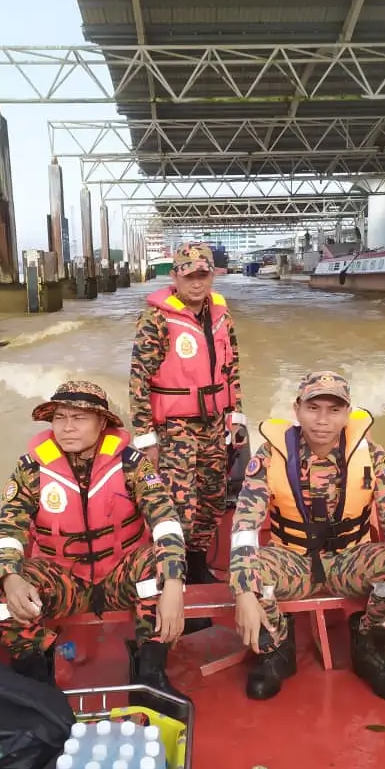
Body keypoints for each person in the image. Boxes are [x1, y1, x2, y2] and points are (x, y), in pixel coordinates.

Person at [229, 371, 385, 702]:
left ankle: (367, 644)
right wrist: (244, 593)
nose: (322, 420)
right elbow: (245, 524)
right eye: (313, 407)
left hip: (350, 559)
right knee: (249, 572)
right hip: (293, 561)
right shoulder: (269, 455)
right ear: (297, 408)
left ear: (348, 413)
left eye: (334, 410)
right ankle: (277, 648)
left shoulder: (372, 454)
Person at [0, 380, 187, 698]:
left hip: (120, 575)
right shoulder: (30, 471)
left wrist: (175, 585)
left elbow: (165, 521)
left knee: (159, 569)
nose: (67, 427)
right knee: (0, 592)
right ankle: (38, 682)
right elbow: (7, 531)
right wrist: (10, 578)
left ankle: (151, 672)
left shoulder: (133, 465)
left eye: (78, 418)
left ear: (102, 423)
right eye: (60, 418)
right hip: (64, 579)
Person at [129, 242, 247, 627]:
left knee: (213, 500)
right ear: (175, 276)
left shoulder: (221, 316)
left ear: (212, 275)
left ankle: (196, 568)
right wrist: (146, 439)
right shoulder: (155, 320)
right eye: (189, 274)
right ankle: (172, 586)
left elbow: (232, 370)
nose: (197, 282)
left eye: (203, 274)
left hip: (214, 423)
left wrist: (237, 417)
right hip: (174, 428)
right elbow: (139, 381)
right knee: (181, 506)